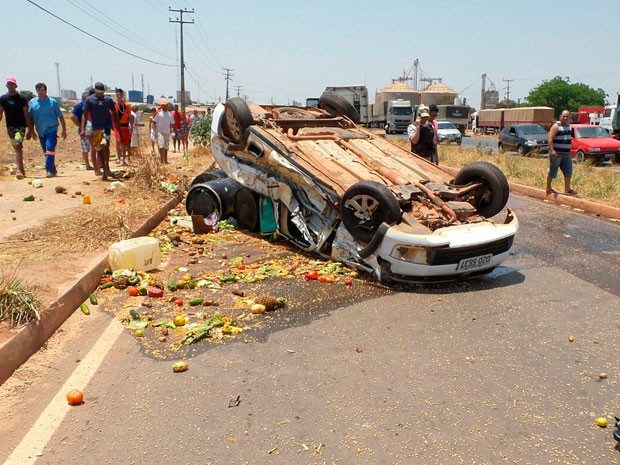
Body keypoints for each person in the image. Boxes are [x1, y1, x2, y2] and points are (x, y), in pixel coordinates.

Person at [27, 82, 67, 178]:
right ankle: (52, 169)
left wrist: (64, 129)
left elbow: (60, 116)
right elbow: (30, 118)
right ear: (36, 91)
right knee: (46, 151)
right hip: (40, 130)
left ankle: (48, 170)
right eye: (39, 90)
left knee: (49, 148)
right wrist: (31, 131)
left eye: (43, 90)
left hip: (52, 129)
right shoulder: (32, 103)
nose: (41, 92)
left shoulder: (52, 102)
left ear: (46, 91)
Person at [83, 81, 118, 181]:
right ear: (95, 92)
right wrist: (83, 128)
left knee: (105, 146)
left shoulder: (108, 100)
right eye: (98, 93)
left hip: (106, 127)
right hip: (96, 128)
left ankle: (107, 166)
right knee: (99, 149)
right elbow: (84, 114)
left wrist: (117, 127)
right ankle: (103, 168)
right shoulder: (90, 100)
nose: (100, 95)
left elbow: (114, 113)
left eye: (102, 93)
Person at [0, 76, 30, 179]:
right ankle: (21, 168)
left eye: (12, 84)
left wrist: (30, 130)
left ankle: (19, 170)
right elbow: (0, 113)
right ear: (6, 86)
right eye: (8, 84)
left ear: (15, 85)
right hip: (10, 127)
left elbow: (26, 114)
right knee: (17, 147)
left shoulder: (22, 99)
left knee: (17, 145)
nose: (10, 85)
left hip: (20, 126)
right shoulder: (3, 99)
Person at [547, 109, 577, 195]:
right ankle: (548, 188)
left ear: (569, 118)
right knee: (553, 171)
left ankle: (567, 189)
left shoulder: (569, 126)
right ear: (560, 117)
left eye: (567, 116)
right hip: (556, 153)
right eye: (563, 116)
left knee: (568, 171)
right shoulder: (556, 126)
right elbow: (550, 139)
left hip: (566, 154)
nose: (565, 118)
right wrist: (552, 150)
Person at [70, 90, 95, 171]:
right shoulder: (81, 106)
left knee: (87, 148)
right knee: (90, 148)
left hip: (85, 129)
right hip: (85, 129)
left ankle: (89, 164)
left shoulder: (82, 106)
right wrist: (81, 126)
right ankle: (90, 164)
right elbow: (72, 117)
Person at [113, 88, 134, 165]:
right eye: (117, 95)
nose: (119, 96)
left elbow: (130, 116)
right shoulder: (114, 105)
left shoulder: (127, 105)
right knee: (118, 141)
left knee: (124, 143)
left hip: (125, 125)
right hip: (117, 126)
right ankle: (119, 157)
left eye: (120, 94)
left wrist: (131, 126)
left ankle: (124, 159)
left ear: (122, 95)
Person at [152, 99, 174, 164]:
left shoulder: (170, 114)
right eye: (163, 105)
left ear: (167, 106)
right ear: (161, 106)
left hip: (167, 132)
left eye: (165, 105)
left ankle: (165, 160)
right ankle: (161, 160)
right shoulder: (159, 114)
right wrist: (155, 130)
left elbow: (172, 123)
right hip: (160, 132)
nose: (164, 106)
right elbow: (154, 122)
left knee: (166, 147)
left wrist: (174, 131)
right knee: (161, 146)